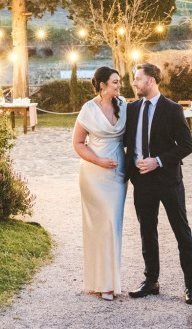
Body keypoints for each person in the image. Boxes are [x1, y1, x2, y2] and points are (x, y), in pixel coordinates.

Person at [124, 62, 192, 305]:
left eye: (138, 78)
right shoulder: (132, 109)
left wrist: (158, 161)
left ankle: (190, 285)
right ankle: (151, 281)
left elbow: (186, 146)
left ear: (151, 80)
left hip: (168, 181)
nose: (134, 83)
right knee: (147, 231)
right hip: (142, 181)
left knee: (181, 231)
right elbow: (124, 141)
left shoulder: (173, 109)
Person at [73, 66, 127, 300]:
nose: (119, 85)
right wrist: (98, 160)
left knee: (112, 224)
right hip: (94, 175)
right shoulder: (88, 109)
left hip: (118, 175)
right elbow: (78, 143)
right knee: (99, 227)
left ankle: (110, 281)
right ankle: (102, 283)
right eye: (115, 82)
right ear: (103, 85)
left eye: (119, 81)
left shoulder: (124, 105)